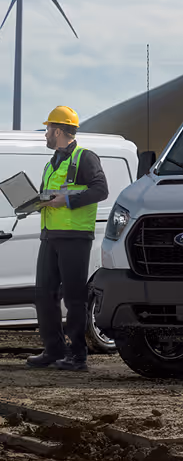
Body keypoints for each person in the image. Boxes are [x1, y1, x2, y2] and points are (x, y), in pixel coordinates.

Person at [26, 107, 108, 372]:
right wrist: (36, 203)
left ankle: (77, 356)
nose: (45, 134)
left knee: (74, 298)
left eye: (48, 129)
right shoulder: (52, 163)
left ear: (58, 131)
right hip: (50, 235)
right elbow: (52, 195)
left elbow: (101, 190)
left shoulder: (85, 157)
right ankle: (53, 351)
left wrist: (67, 201)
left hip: (75, 237)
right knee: (44, 295)